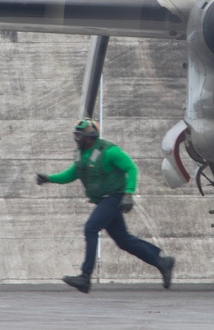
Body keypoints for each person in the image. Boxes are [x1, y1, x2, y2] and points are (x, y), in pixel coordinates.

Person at [36, 118, 175, 293]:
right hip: (103, 200)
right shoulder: (81, 154)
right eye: (75, 136)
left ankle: (85, 277)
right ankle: (162, 262)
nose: (76, 139)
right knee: (123, 240)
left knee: (90, 228)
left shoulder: (110, 151)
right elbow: (71, 174)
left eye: (80, 136)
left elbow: (131, 169)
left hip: (114, 197)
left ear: (91, 135)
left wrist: (128, 194)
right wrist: (49, 178)